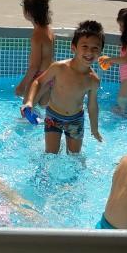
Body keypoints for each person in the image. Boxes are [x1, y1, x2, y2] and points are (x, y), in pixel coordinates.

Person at [22, 20, 104, 154]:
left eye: (95, 48)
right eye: (85, 46)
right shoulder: (59, 68)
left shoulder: (93, 80)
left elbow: (92, 105)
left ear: (100, 51)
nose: (90, 52)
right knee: (50, 153)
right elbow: (38, 82)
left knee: (74, 156)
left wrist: (94, 129)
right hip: (53, 116)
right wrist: (30, 102)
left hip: (76, 120)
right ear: (74, 48)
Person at [15, 0, 55, 107]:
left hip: (39, 79)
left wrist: (22, 85)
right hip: (50, 77)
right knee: (42, 111)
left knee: (26, 110)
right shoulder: (49, 31)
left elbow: (34, 67)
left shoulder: (37, 37)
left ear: (28, 13)